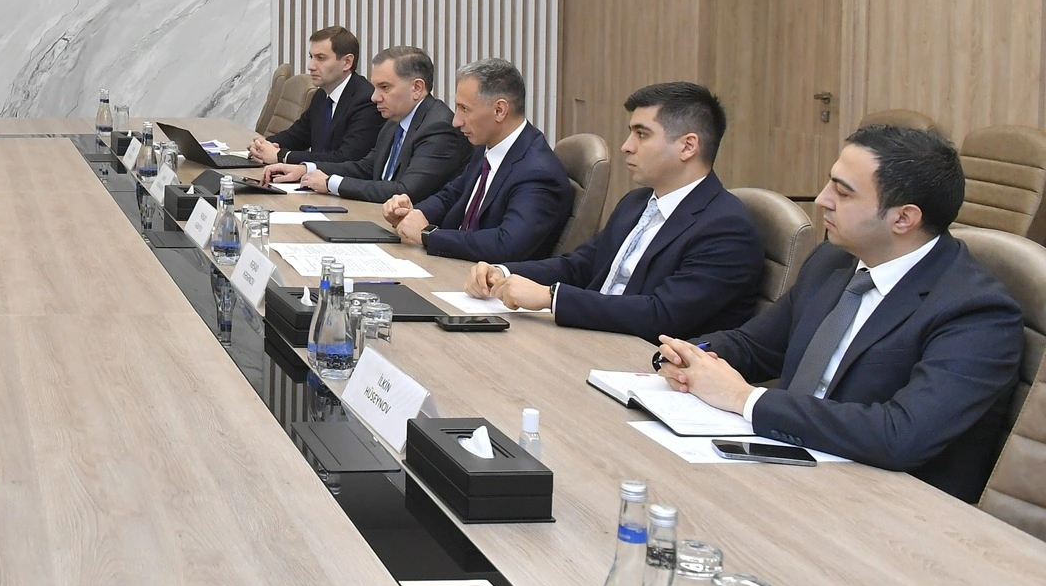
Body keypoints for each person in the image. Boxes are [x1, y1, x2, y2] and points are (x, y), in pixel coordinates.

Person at [656, 125, 1025, 500]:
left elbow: (900, 436)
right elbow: (755, 345)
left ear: (903, 219)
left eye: (843, 193)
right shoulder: (834, 259)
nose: (822, 199)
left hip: (888, 500)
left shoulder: (977, 312)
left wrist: (744, 398)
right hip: (789, 464)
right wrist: (688, 354)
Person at [464, 82, 762, 340]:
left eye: (642, 135)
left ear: (688, 146)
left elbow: (661, 314)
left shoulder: (727, 228)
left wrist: (551, 297)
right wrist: (503, 272)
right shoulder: (636, 202)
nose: (626, 147)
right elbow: (580, 266)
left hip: (646, 364)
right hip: (593, 337)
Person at [384, 58, 572, 262]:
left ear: (499, 110)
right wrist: (413, 213)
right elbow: (452, 195)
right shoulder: (487, 146)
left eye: (464, 109)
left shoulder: (537, 172)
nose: (456, 121)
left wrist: (428, 235)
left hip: (488, 277)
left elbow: (507, 244)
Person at [263, 45, 463, 202]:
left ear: (417, 88)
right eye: (375, 87)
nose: (375, 97)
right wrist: (306, 169)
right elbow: (367, 168)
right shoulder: (395, 120)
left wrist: (331, 183)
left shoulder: (439, 128)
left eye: (385, 87)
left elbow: (405, 190)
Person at [249, 26, 381, 167]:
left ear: (347, 62)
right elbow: (296, 136)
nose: (311, 66)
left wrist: (282, 156)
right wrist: (263, 145)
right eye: (311, 57)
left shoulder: (366, 101)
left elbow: (345, 158)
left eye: (321, 58)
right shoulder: (322, 95)